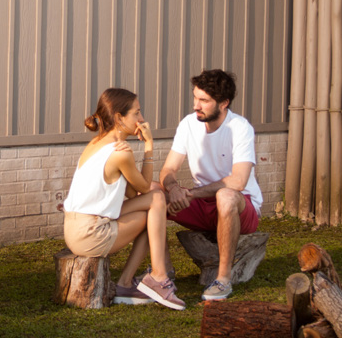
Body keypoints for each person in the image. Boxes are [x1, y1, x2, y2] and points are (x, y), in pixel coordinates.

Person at [62, 88, 185, 310]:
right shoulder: (120, 153)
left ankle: (134, 282)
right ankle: (156, 277)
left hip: (76, 228)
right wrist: (149, 146)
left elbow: (130, 193)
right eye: (136, 113)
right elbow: (145, 188)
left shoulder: (98, 142)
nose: (142, 119)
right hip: (90, 234)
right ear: (119, 118)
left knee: (155, 204)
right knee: (156, 201)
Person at [158, 69, 261, 301]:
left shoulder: (240, 128)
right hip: (202, 203)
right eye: (195, 97)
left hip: (240, 205)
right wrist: (173, 189)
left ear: (224, 103)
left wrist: (191, 194)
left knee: (225, 195)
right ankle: (162, 272)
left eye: (204, 100)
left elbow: (238, 181)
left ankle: (223, 280)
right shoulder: (188, 124)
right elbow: (168, 170)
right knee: (154, 193)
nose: (196, 105)